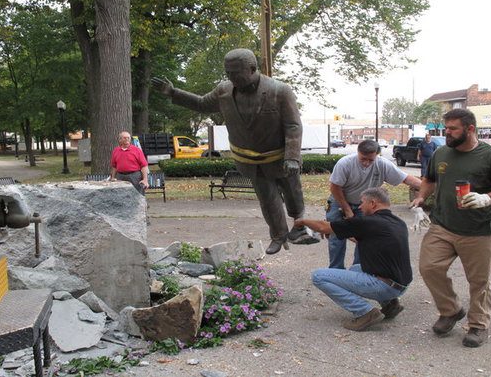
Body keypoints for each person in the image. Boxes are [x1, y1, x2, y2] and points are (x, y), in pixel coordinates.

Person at [151, 48, 317, 254]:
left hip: (280, 157)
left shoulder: (280, 91)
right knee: (267, 200)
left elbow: (293, 125)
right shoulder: (223, 91)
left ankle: (300, 227)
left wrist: (292, 156)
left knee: (293, 194)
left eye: (235, 73)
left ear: (252, 68)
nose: (231, 77)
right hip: (250, 160)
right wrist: (173, 92)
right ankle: (278, 235)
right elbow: (202, 104)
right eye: (228, 73)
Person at [411, 108, 491, 348]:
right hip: (442, 225)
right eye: (446, 128)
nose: (447, 133)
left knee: (479, 282)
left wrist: (487, 198)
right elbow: (429, 179)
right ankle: (451, 310)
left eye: (453, 129)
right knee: (429, 268)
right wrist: (421, 198)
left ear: (470, 129)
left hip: (479, 230)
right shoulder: (441, 153)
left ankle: (478, 325)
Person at [295, 187, 412, 331]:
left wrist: (302, 221)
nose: (360, 207)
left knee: (318, 276)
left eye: (362, 203)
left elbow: (323, 227)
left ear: (373, 203)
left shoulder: (367, 222)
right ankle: (391, 305)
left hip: (384, 286)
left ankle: (365, 312)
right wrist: (336, 232)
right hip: (400, 284)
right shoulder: (397, 222)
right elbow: (366, 239)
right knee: (356, 268)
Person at [327, 139, 421, 268]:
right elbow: (334, 188)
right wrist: (347, 209)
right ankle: (335, 270)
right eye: (363, 159)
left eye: (371, 160)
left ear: (377, 155)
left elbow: (405, 179)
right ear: (358, 153)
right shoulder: (345, 163)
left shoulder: (383, 164)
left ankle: (359, 270)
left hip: (364, 205)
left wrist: (427, 188)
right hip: (339, 201)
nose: (366, 163)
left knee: (364, 238)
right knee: (336, 237)